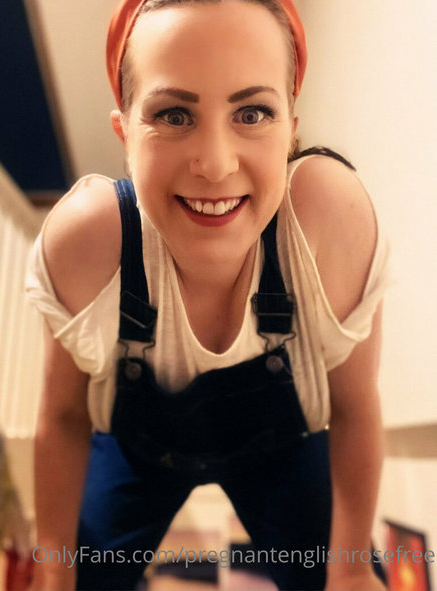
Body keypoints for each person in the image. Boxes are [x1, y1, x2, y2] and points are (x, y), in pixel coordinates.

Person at [25, 0, 391, 589]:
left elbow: (355, 407)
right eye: (174, 115)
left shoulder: (329, 219)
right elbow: (63, 417)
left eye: (252, 112)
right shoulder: (86, 241)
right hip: (138, 453)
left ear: (291, 129)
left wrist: (348, 569)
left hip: (281, 452)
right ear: (124, 134)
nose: (216, 165)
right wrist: (51, 571)